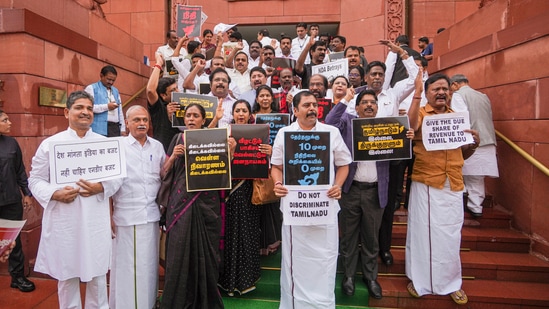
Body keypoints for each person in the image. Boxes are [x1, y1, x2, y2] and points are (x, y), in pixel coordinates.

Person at [28, 91, 119, 308]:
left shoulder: (104, 143)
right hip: (65, 220)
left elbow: (117, 179)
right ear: (66, 112)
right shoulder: (51, 144)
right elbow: (35, 179)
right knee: (67, 274)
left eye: (89, 108)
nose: (85, 112)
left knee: (97, 276)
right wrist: (54, 193)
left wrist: (101, 187)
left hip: (95, 220)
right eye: (79, 107)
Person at [271, 91, 352, 308]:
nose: (312, 109)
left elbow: (344, 164)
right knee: (295, 262)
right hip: (295, 210)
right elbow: (276, 167)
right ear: (295, 110)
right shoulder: (284, 133)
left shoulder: (331, 132)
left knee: (325, 260)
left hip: (324, 208)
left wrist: (338, 186)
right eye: (306, 105)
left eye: (314, 105)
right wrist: (278, 184)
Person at [405, 73, 480, 305]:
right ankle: (419, 280)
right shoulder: (420, 114)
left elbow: (462, 153)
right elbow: (410, 125)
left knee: (450, 234)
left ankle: (451, 282)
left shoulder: (458, 119)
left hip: (453, 183)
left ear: (450, 92)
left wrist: (473, 145)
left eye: (445, 89)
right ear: (427, 93)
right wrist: (416, 93)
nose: (441, 93)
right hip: (427, 182)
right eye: (436, 89)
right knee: (422, 233)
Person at [160, 103, 231, 309]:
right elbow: (164, 173)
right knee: (179, 250)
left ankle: (205, 301)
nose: (191, 119)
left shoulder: (215, 140)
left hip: (207, 204)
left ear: (203, 119)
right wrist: (174, 156)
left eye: (195, 116)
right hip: (180, 203)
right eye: (188, 115)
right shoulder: (177, 139)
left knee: (207, 252)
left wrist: (231, 152)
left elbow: (223, 172)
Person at [109, 105, 165, 308]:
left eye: (145, 120)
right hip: (127, 217)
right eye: (137, 120)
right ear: (127, 122)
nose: (142, 123)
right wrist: (109, 217)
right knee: (129, 269)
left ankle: (148, 304)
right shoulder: (117, 146)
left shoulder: (157, 146)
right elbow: (108, 186)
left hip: (151, 216)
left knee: (148, 267)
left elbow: (163, 176)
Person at [218, 99, 270, 296]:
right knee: (230, 235)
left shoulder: (258, 134)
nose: (241, 113)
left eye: (244, 110)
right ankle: (227, 281)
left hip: (249, 190)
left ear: (250, 114)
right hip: (227, 192)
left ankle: (246, 280)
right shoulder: (225, 134)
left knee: (247, 234)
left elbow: (265, 164)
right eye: (237, 110)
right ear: (233, 114)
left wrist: (269, 153)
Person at [450, 74, 499, 217]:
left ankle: (469, 203)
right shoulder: (483, 96)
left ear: (455, 84)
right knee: (478, 176)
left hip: (471, 140)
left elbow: (459, 118)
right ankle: (476, 206)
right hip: (488, 138)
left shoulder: (458, 95)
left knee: (466, 173)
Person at [0, 110, 35, 292]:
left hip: (11, 201)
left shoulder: (11, 143)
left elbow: (20, 171)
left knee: (13, 240)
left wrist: (26, 194)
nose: (10, 123)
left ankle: (18, 277)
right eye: (5, 120)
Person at [147, 53, 180, 152]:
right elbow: (150, 91)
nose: (178, 92)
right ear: (163, 95)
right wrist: (158, 64)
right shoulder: (158, 106)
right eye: (173, 90)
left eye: (177, 88)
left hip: (179, 151)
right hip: (162, 150)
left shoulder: (183, 104)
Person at [85, 65, 125, 137]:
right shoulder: (91, 88)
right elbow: (88, 108)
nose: (111, 82)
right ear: (101, 75)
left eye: (113, 80)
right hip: (98, 128)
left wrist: (122, 129)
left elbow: (120, 111)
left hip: (114, 128)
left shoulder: (116, 91)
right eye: (108, 79)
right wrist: (107, 106)